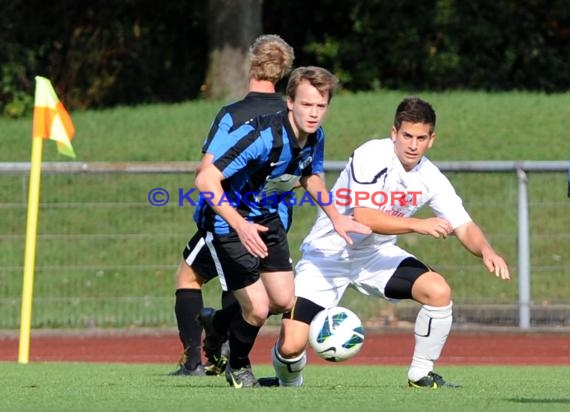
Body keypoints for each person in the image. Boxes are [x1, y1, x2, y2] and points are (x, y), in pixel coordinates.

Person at [263, 96, 510, 388]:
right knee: (292, 346)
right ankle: (287, 384)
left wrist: (486, 250)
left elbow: (464, 225)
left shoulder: (431, 177)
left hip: (375, 256)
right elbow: (364, 216)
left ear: (432, 139)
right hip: (328, 256)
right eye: (406, 135)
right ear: (394, 133)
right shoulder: (372, 154)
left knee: (438, 290)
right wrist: (418, 224)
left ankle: (421, 374)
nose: (413, 145)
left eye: (421, 138)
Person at [193, 66, 371, 388]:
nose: (314, 113)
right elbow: (205, 179)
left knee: (284, 301)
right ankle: (238, 366)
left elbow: (310, 175)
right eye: (307, 105)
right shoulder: (263, 136)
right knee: (258, 309)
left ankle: (217, 323)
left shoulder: (316, 136)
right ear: (289, 102)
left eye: (321, 106)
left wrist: (337, 216)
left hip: (266, 217)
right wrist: (241, 225)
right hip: (226, 222)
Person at [169, 34, 295, 377]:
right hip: (275, 221)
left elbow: (207, 171)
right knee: (249, 287)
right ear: (285, 72)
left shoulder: (233, 115)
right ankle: (223, 343)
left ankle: (197, 359)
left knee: (190, 276)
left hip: (229, 219)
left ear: (250, 64)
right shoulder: (293, 115)